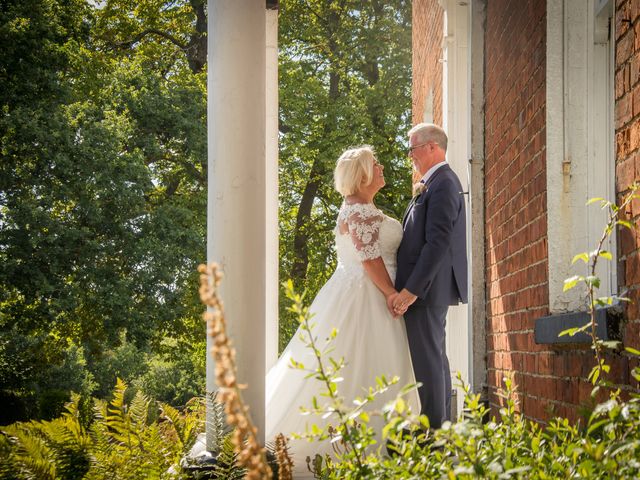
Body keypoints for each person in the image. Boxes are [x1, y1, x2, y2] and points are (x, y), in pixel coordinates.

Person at [266, 146, 420, 477]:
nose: (381, 168)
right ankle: (352, 452)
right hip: (367, 296)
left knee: (361, 367)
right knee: (359, 366)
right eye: (375, 164)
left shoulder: (360, 207)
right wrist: (392, 293)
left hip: (359, 292)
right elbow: (369, 259)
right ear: (362, 174)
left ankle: (365, 449)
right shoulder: (360, 211)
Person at [392, 123, 468, 430]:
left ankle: (435, 435)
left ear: (432, 147)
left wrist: (411, 290)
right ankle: (440, 430)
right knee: (433, 360)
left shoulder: (444, 183)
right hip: (426, 290)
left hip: (426, 291)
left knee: (428, 363)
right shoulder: (433, 183)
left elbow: (438, 243)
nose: (410, 155)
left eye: (412, 148)